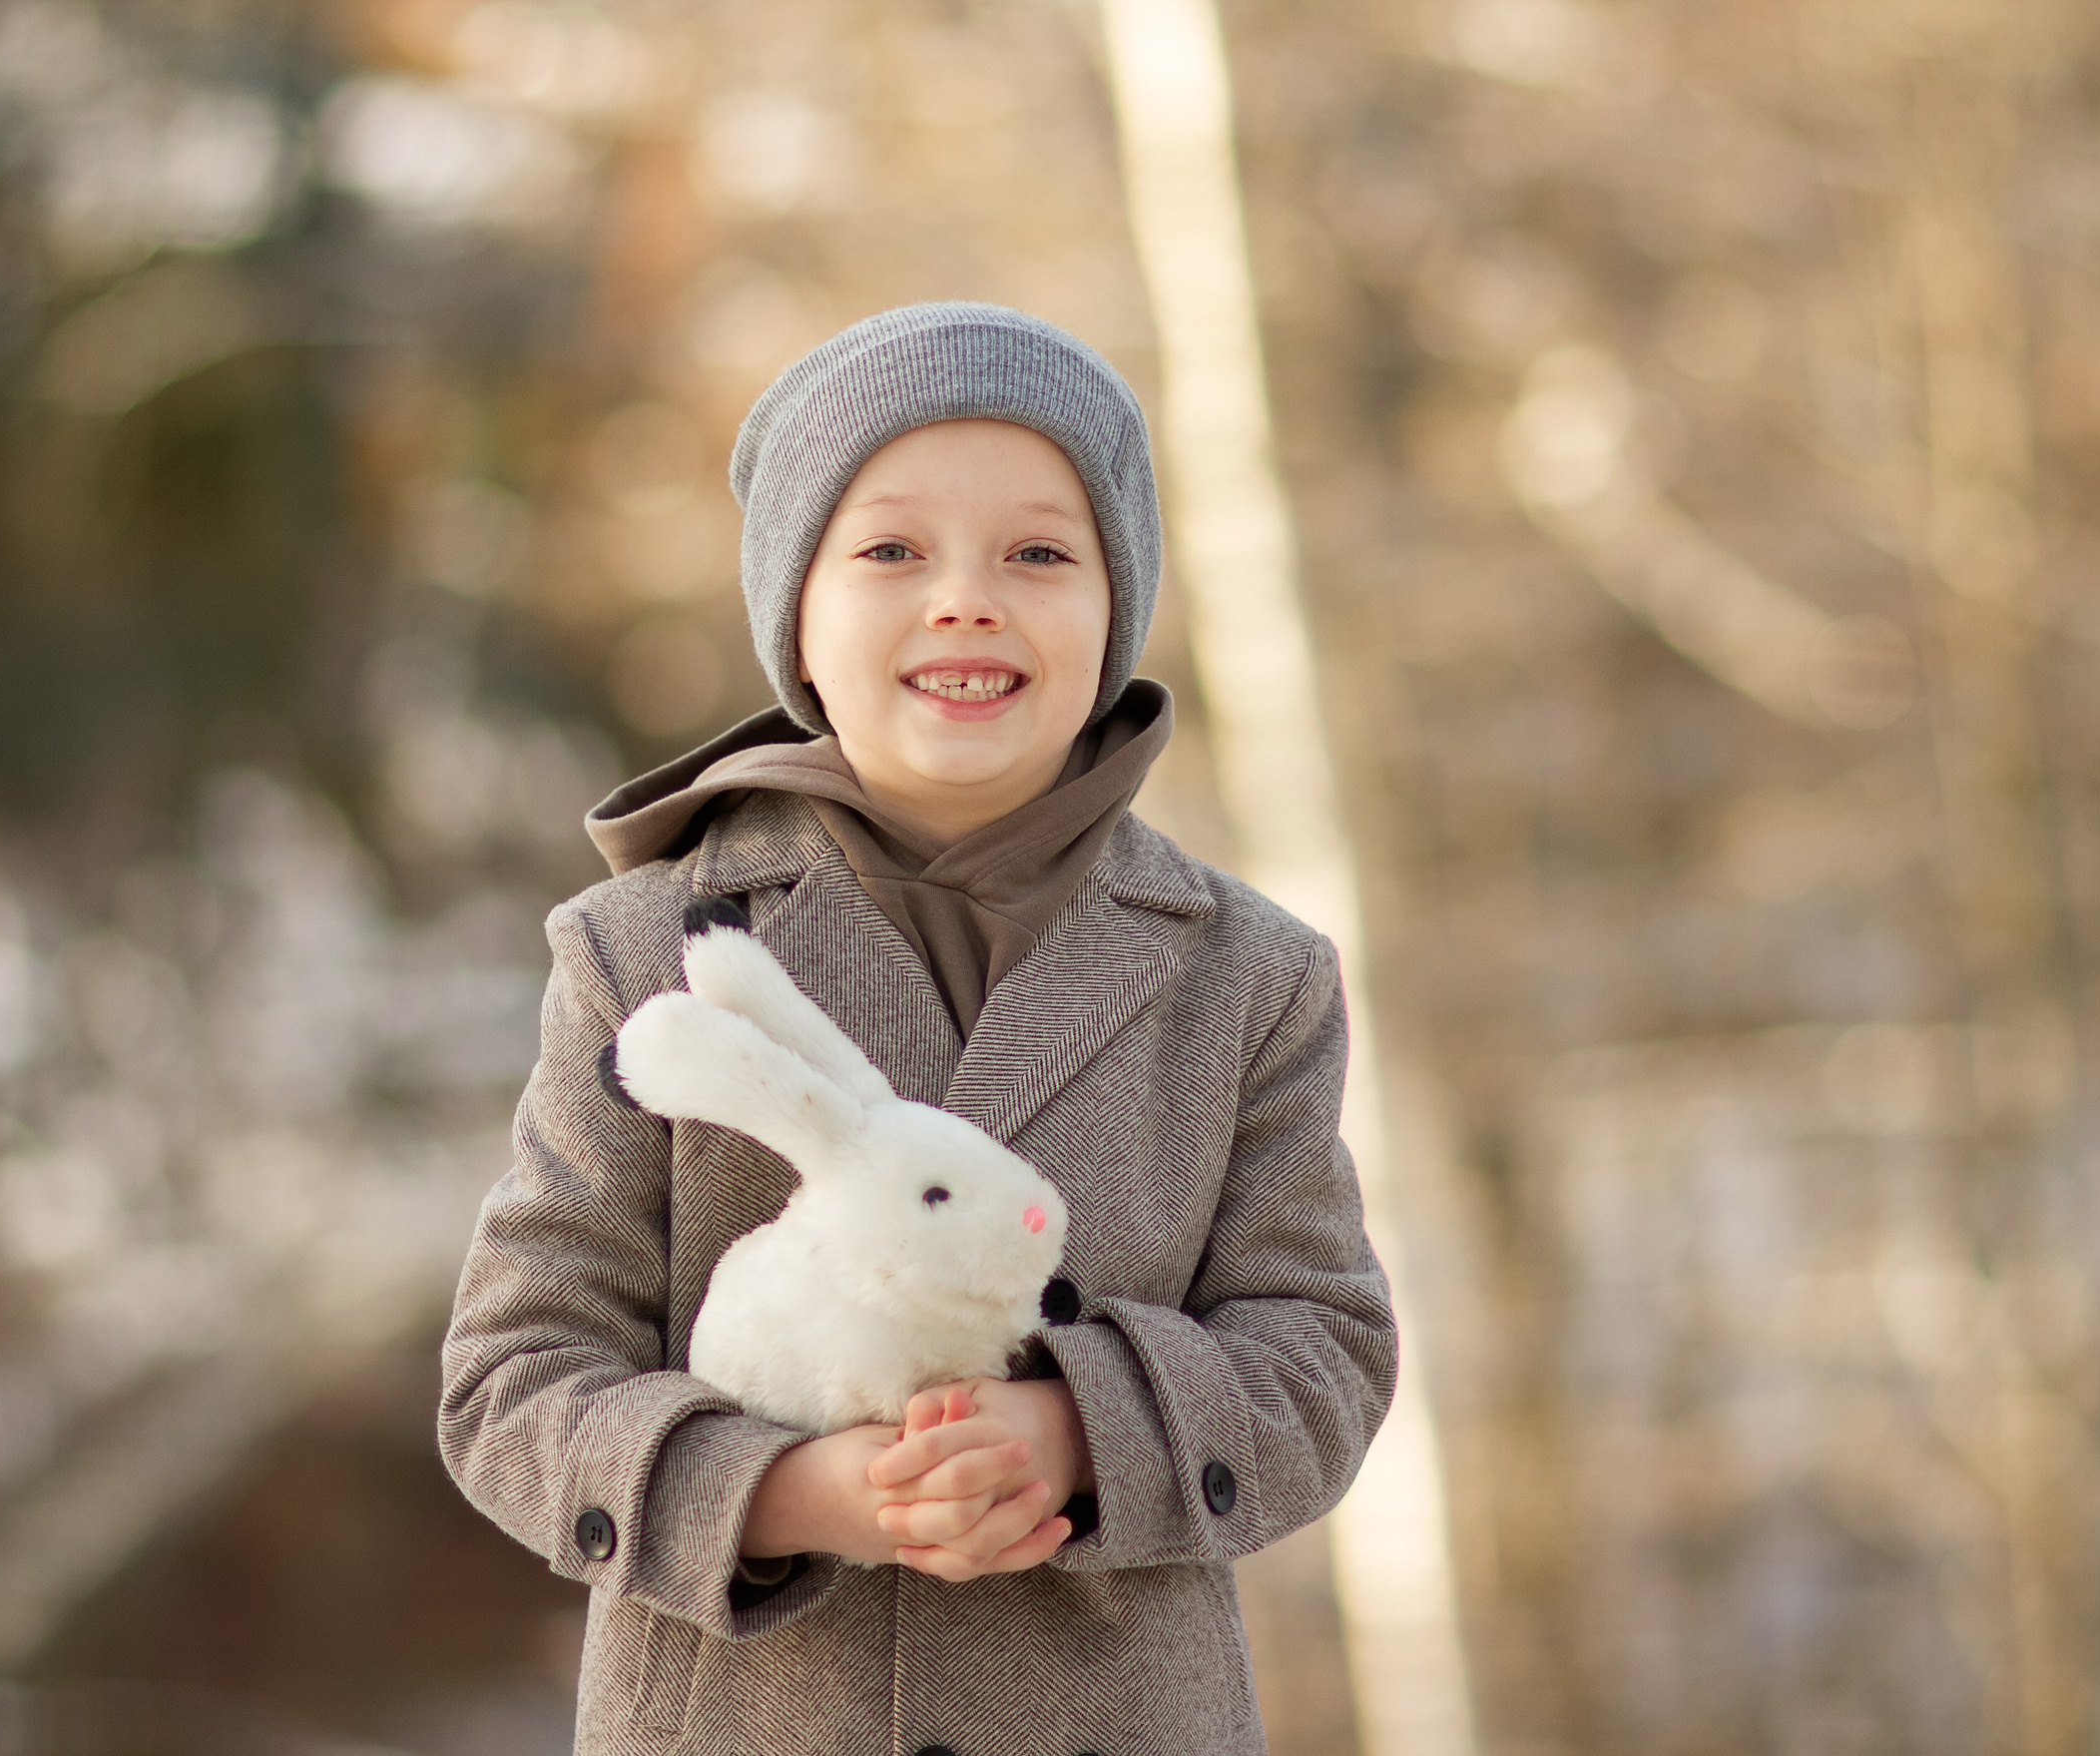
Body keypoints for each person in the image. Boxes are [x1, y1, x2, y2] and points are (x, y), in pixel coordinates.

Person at [439, 301, 1396, 1756]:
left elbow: (1320, 1353)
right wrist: (800, 1494)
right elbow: (515, 1380)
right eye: (891, 551)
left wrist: (1080, 1430)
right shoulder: (645, 955)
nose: (965, 600)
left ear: (1115, 607)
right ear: (797, 615)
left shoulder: (1248, 976)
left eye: (1039, 554)